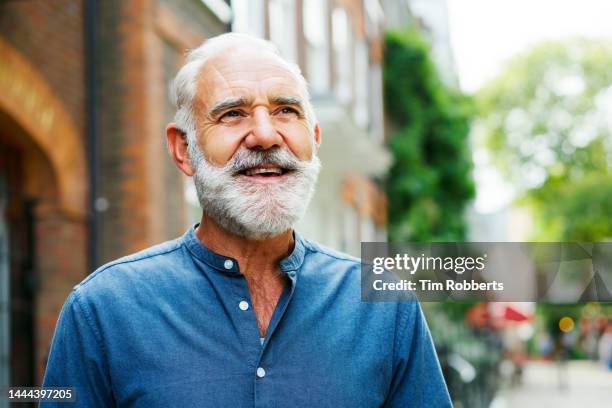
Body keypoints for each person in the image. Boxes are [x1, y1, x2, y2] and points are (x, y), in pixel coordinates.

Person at [42, 33, 451, 407]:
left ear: (315, 139)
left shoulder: (385, 307)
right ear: (183, 149)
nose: (265, 135)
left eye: (286, 111)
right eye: (232, 114)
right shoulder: (102, 310)